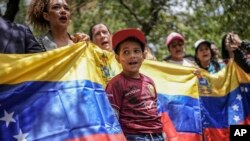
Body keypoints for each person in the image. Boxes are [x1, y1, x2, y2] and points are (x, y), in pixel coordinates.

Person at [105, 28, 164, 141]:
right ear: (118, 58)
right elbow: (112, 117)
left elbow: (157, 111)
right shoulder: (116, 84)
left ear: (143, 55)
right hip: (134, 136)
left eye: (136, 51)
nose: (132, 56)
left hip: (158, 135)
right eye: (126, 52)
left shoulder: (149, 81)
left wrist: (162, 134)